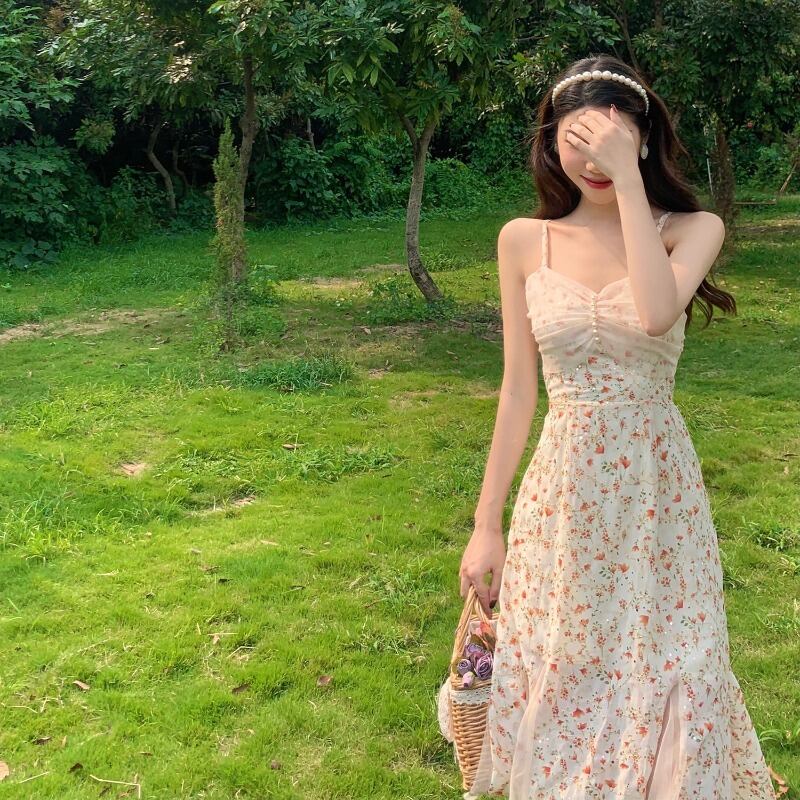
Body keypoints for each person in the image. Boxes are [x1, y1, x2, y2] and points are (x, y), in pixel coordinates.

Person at [437, 55, 776, 799]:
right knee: (571, 660)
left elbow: (654, 313)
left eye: (613, 142)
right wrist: (486, 524)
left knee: (669, 659)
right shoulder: (523, 240)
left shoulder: (693, 229)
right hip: (563, 492)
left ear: (644, 141)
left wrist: (627, 184)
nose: (593, 160)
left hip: (658, 493)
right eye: (578, 142)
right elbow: (517, 389)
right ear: (551, 143)